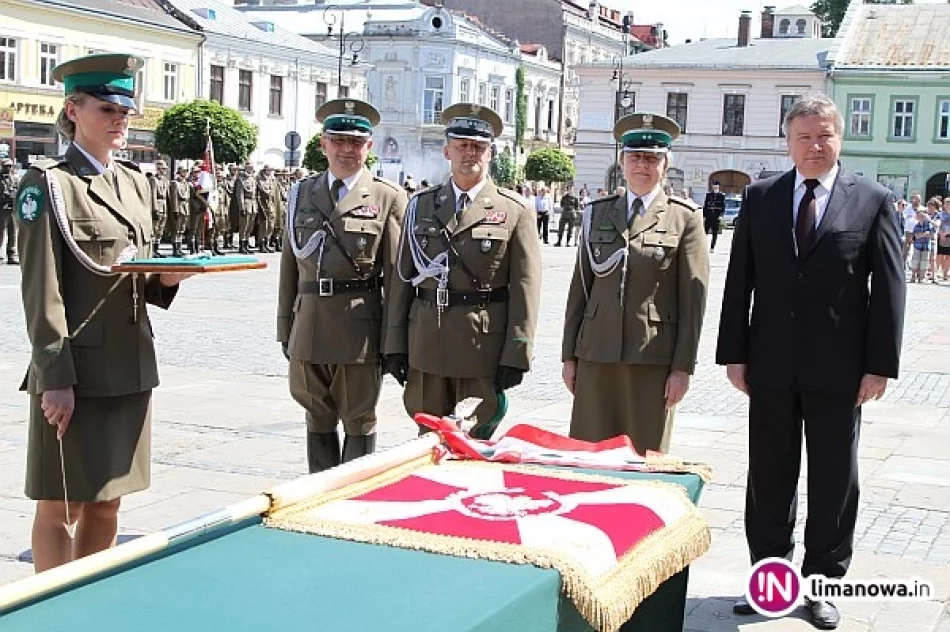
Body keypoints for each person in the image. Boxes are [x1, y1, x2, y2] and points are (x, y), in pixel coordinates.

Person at [716, 94, 905, 629]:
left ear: (839, 138)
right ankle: (771, 582)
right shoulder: (761, 197)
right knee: (769, 478)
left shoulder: (872, 200)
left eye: (824, 136)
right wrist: (734, 354)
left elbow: (890, 290)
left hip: (840, 371)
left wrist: (879, 365)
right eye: (804, 137)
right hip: (770, 365)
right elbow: (740, 281)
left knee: (834, 480)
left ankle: (822, 583)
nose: (815, 146)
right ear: (788, 142)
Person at [15, 53, 192, 573]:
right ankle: (53, 606)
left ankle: (89, 596)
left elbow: (135, 275)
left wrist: (168, 279)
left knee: (109, 501)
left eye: (126, 111)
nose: (120, 120)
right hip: (79, 371)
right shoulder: (48, 183)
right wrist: (55, 378)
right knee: (60, 506)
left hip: (129, 366)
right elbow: (41, 289)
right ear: (73, 110)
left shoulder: (134, 181)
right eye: (107, 109)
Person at [384, 103, 541, 438]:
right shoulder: (420, 206)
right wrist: (394, 342)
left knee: (475, 440)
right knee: (427, 439)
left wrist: (517, 351)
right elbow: (402, 280)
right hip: (427, 342)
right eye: (462, 145)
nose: (470, 153)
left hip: (480, 347)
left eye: (478, 147)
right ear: (447, 151)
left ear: (490, 154)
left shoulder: (515, 210)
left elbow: (526, 288)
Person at [561, 112, 709, 454]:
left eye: (652, 158)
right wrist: (569, 356)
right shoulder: (597, 212)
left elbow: (693, 303)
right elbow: (580, 290)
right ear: (622, 162)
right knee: (589, 456)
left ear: (665, 164)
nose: (643, 165)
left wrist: (682, 368)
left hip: (651, 359)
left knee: (644, 457)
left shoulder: (684, 218)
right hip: (596, 355)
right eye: (635, 157)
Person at [277, 99, 407, 472]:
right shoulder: (302, 193)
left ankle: (352, 493)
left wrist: (394, 340)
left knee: (358, 418)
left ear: (369, 147)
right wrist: (286, 327)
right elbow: (289, 267)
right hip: (310, 324)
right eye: (338, 140)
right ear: (323, 144)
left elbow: (396, 278)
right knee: (315, 415)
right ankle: (318, 491)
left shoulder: (388, 197)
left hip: (359, 330)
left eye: (356, 142)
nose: (346, 149)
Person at [232, 163, 257, 254]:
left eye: (252, 167)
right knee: (244, 226)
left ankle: (246, 243)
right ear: (246, 168)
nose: (251, 169)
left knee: (250, 226)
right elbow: (240, 194)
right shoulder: (241, 179)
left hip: (253, 204)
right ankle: (241, 245)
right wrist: (242, 207)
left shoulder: (252, 178)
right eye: (249, 167)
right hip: (246, 203)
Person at [1, 157, 20, 264]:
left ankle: (11, 255)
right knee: (1, 233)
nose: (8, 168)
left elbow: (19, 190)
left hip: (12, 208)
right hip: (1, 208)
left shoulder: (15, 178)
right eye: (6, 166)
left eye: (9, 166)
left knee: (12, 233)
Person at [148, 160, 170, 257]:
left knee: (161, 229)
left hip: (164, 206)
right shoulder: (153, 180)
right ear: (158, 169)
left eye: (165, 169)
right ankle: (152, 249)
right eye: (163, 169)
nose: (164, 170)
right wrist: (154, 209)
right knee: (154, 228)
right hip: (158, 205)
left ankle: (157, 248)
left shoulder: (165, 180)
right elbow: (153, 194)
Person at [910, 208, 933, 284]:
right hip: (917, 246)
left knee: (924, 262)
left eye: (922, 216)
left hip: (926, 246)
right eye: (919, 216)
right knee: (915, 261)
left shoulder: (929, 225)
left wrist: (922, 234)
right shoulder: (916, 226)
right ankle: (913, 277)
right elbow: (916, 236)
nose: (921, 217)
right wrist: (925, 234)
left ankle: (921, 278)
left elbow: (931, 235)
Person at [702, 180, 726, 252]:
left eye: (716, 187)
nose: (715, 188)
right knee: (705, 232)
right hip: (709, 216)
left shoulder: (721, 195)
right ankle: (703, 246)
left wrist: (721, 215)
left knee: (715, 233)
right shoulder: (708, 195)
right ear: (712, 187)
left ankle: (712, 247)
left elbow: (723, 206)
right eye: (714, 186)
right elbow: (705, 205)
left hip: (716, 217)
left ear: (718, 187)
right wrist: (704, 215)